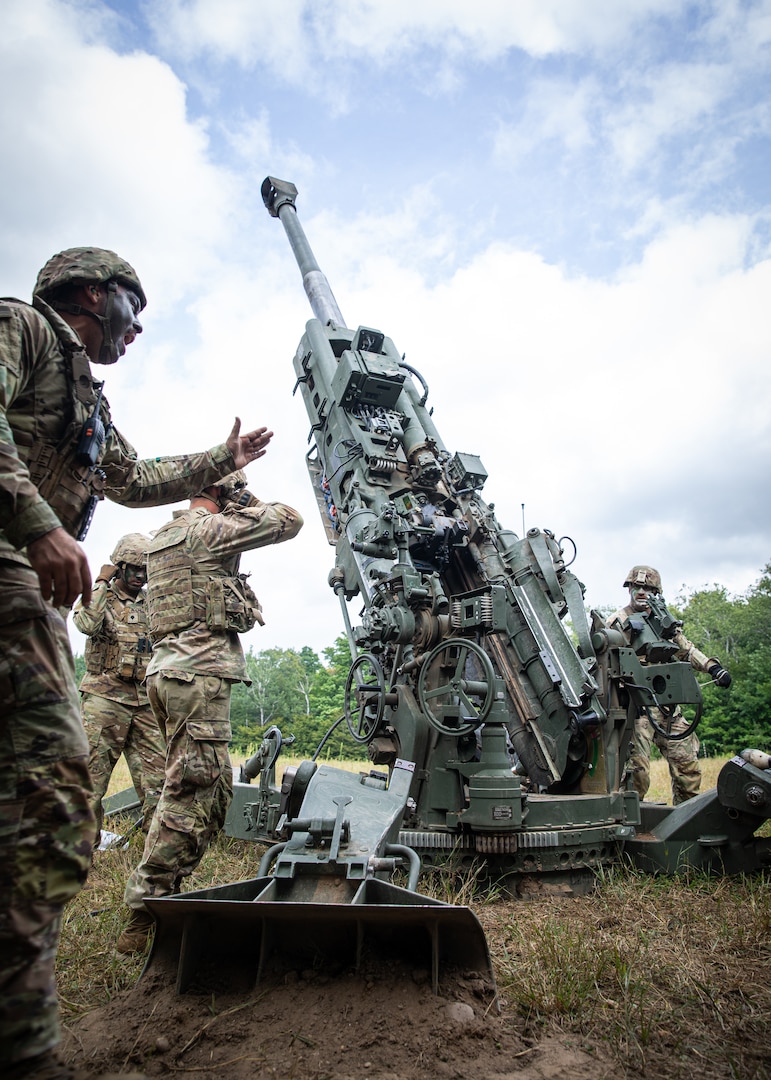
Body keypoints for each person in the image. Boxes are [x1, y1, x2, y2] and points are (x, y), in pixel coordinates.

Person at [0, 246, 273, 1080]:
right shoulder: (20, 326)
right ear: (91, 294)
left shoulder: (87, 397)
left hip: (25, 591)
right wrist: (39, 521)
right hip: (15, 575)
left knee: (47, 810)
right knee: (50, 811)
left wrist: (219, 462)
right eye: (133, 304)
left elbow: (130, 476)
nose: (141, 324)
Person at [119, 469, 302, 954]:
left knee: (213, 789)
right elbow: (289, 519)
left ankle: (161, 890)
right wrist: (245, 496)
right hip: (196, 676)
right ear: (222, 491)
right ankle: (145, 914)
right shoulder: (208, 531)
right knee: (190, 793)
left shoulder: (164, 537)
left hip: (165, 675)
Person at [607, 565, 732, 805]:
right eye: (637, 587)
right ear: (629, 589)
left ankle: (686, 823)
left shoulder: (664, 621)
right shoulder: (617, 623)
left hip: (668, 708)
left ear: (657, 592)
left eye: (648, 588)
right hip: (637, 709)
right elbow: (604, 662)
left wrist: (713, 668)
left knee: (688, 769)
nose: (642, 592)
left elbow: (686, 649)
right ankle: (628, 829)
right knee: (637, 775)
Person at [72, 532, 164, 840]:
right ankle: (81, 852)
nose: (140, 575)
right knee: (89, 783)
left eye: (145, 569)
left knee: (160, 783)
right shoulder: (101, 597)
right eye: (133, 569)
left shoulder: (154, 602)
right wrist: (99, 583)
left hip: (145, 703)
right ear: (119, 567)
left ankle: (156, 857)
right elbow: (86, 624)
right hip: (104, 700)